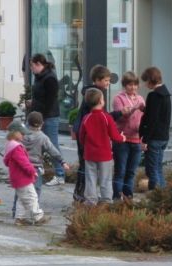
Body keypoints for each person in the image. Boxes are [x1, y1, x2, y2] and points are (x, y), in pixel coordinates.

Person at [72, 65, 129, 201]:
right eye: (106, 80)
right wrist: (120, 136)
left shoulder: (90, 93)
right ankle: (94, 197)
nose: (108, 83)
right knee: (100, 176)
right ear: (97, 80)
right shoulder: (96, 94)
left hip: (87, 141)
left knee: (87, 171)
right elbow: (103, 118)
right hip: (96, 145)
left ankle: (86, 197)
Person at [11, 111, 70, 218]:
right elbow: (53, 151)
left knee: (20, 190)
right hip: (36, 169)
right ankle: (34, 213)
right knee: (35, 191)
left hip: (21, 168)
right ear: (42, 124)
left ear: (28, 123)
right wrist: (62, 162)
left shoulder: (21, 135)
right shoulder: (43, 137)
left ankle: (15, 211)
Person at [79, 88, 126, 205]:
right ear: (101, 101)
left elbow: (81, 136)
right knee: (105, 179)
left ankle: (90, 201)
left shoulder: (86, 118)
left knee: (90, 179)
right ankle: (106, 201)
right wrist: (122, 138)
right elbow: (115, 136)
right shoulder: (106, 117)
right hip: (105, 155)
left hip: (89, 154)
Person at [3, 120, 49, 226]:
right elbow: (24, 162)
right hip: (22, 177)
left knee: (22, 198)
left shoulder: (10, 145)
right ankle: (38, 216)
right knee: (31, 196)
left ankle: (20, 218)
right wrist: (33, 171)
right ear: (14, 133)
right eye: (22, 133)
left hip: (17, 177)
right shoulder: (16, 148)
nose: (24, 135)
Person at [29, 53, 65, 186]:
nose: (31, 69)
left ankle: (60, 174)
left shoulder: (49, 78)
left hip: (48, 117)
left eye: (32, 66)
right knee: (34, 144)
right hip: (38, 115)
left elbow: (50, 100)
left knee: (52, 145)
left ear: (39, 64)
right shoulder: (38, 76)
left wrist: (42, 118)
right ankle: (35, 170)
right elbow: (39, 96)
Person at [112, 71, 145, 200]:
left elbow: (143, 119)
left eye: (135, 85)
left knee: (131, 171)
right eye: (130, 85)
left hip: (136, 139)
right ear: (125, 85)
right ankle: (117, 196)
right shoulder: (118, 98)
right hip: (122, 139)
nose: (133, 87)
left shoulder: (140, 99)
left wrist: (143, 138)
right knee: (120, 170)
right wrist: (133, 109)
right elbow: (120, 116)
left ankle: (128, 196)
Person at [139, 67, 171, 190]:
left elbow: (152, 120)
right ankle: (163, 194)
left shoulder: (153, 95)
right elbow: (159, 114)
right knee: (158, 168)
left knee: (152, 170)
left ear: (150, 80)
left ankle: (156, 195)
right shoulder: (166, 94)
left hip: (154, 137)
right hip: (163, 136)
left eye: (145, 81)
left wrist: (145, 139)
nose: (144, 84)